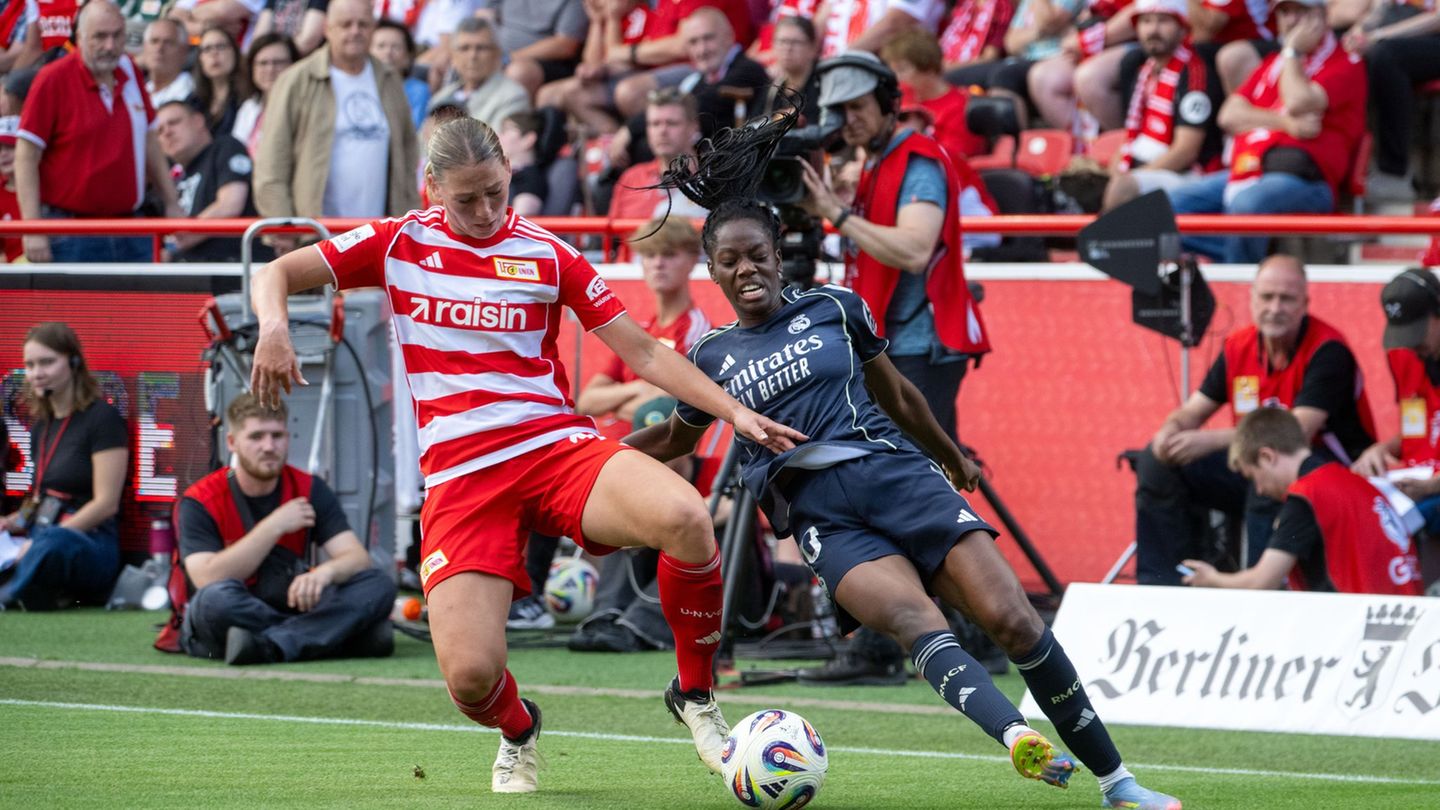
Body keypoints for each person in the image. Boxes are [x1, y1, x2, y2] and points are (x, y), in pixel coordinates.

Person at [247, 115, 804, 793]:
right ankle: (519, 730)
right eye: (466, 199)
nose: (485, 211)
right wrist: (272, 327)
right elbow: (276, 271)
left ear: (510, 172)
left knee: (685, 517)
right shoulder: (398, 243)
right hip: (460, 480)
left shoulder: (547, 251)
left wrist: (735, 410)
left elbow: (645, 352)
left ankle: (696, 697)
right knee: (470, 678)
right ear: (432, 189)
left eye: (495, 192)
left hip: (552, 450)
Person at [635, 121, 1182, 808]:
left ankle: (1119, 783)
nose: (746, 271)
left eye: (757, 256)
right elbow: (677, 440)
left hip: (896, 476)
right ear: (711, 270)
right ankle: (1016, 738)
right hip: (824, 520)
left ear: (779, 255)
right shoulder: (709, 358)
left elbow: (896, 393)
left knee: (1013, 620)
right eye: (729, 263)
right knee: (917, 623)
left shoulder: (837, 307)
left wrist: (951, 457)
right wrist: (588, 457)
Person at [1134, 255, 1376, 586]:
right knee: (1156, 461)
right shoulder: (1238, 345)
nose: (1275, 307)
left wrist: (1209, 440)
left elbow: (1294, 433)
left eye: (1286, 299)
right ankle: (1165, 584)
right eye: (1266, 297)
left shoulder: (1329, 350)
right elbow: (1194, 410)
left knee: (1269, 464)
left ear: (1305, 303)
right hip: (1259, 464)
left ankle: (1258, 594)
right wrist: (1171, 430)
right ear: (1251, 299)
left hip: (1326, 470)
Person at [176, 393, 397, 664]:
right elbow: (206, 578)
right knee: (213, 600)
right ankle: (334, 637)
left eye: (277, 435)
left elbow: (356, 558)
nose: (269, 446)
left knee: (378, 584)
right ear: (232, 442)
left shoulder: (308, 488)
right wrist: (274, 525)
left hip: (293, 602)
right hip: (237, 605)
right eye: (256, 437)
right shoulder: (201, 499)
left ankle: (269, 645)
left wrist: (324, 573)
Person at [1166, 0, 1367, 264]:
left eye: (1300, 12)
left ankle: (1238, 275)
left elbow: (1297, 100)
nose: (1291, 20)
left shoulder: (1345, 63)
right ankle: (1240, 259)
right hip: (1249, 169)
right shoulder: (1273, 62)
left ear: (1322, 16)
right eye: (1284, 12)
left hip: (1307, 181)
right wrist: (1286, 124)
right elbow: (1229, 115)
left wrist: (1293, 51)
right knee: (1165, 208)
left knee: (1248, 206)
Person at [1183, 407, 1424, 594]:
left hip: (1363, 628)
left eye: (1253, 477)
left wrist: (1212, 579)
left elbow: (1262, 582)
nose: (1259, 489)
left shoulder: (1308, 495)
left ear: (1267, 457)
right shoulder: (1355, 482)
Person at [16, 1, 182, 263]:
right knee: (74, 306)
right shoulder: (52, 79)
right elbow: (26, 155)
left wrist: (171, 202)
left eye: (117, 35)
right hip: (71, 229)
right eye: (100, 37)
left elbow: (149, 140)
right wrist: (33, 228)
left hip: (130, 226)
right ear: (79, 37)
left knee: (140, 305)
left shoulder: (128, 69)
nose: (110, 45)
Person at [254, 0, 419, 252]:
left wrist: (408, 216)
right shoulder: (296, 80)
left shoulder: (388, 78)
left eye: (362, 24)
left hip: (381, 238)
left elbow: (407, 152)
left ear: (373, 27)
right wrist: (284, 227)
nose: (355, 31)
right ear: (327, 29)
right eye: (345, 24)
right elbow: (272, 161)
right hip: (315, 238)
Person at [0, 323, 127, 611]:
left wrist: (43, 541)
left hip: (88, 542)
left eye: (47, 362)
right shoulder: (41, 427)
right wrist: (12, 521)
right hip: (39, 536)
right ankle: (29, 587)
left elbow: (106, 504)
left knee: (54, 544)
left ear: (73, 362)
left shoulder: (102, 419)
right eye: (30, 365)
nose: (36, 373)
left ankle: (11, 593)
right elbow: (39, 499)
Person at [1101, 0, 1225, 212]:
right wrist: (1115, 171)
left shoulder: (1194, 74)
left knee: (1123, 188)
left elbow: (1185, 151)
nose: (1153, 30)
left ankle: (1099, 243)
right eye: (1146, 21)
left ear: (1182, 27)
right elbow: (1130, 135)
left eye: (1163, 21)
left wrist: (1133, 176)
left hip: (1188, 175)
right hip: (1146, 167)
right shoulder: (1142, 70)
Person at [1353, 267, 1440, 538]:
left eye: (1417, 331)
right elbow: (1424, 430)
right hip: (1416, 482)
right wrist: (1380, 450)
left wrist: (1433, 486)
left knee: (1392, 526)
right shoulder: (1403, 357)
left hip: (1430, 493)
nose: (1411, 345)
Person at [156, 98, 266, 263]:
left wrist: (178, 242)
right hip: (190, 272)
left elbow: (230, 204)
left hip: (230, 267)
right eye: (159, 131)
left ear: (198, 121)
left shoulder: (226, 147)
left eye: (174, 122)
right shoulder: (171, 175)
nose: (166, 132)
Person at [427, 17, 531, 133]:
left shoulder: (513, 97)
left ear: (497, 54)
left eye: (481, 48)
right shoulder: (440, 98)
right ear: (453, 56)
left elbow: (501, 148)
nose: (472, 56)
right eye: (464, 48)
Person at [231, 33, 299, 156]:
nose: (270, 69)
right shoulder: (249, 107)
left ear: (294, 65)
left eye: (278, 62)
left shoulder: (303, 106)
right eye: (263, 63)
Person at [369, 19, 428, 129]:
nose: (388, 52)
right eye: (381, 46)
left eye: (396, 47)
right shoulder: (358, 86)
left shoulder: (419, 91)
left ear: (408, 57)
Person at [192, 27, 247, 139]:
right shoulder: (193, 102)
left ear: (235, 52)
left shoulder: (248, 98)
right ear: (200, 59)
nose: (214, 53)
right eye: (207, 49)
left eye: (221, 46)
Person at [140, 18, 195, 108]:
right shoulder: (136, 90)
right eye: (154, 41)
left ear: (184, 51)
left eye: (168, 43)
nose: (159, 48)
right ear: (144, 47)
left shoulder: (192, 93)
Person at [0, 115, 22, 262]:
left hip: (48, 272)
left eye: (10, 146)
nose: (3, 154)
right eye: (0, 148)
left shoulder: (50, 193)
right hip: (12, 279)